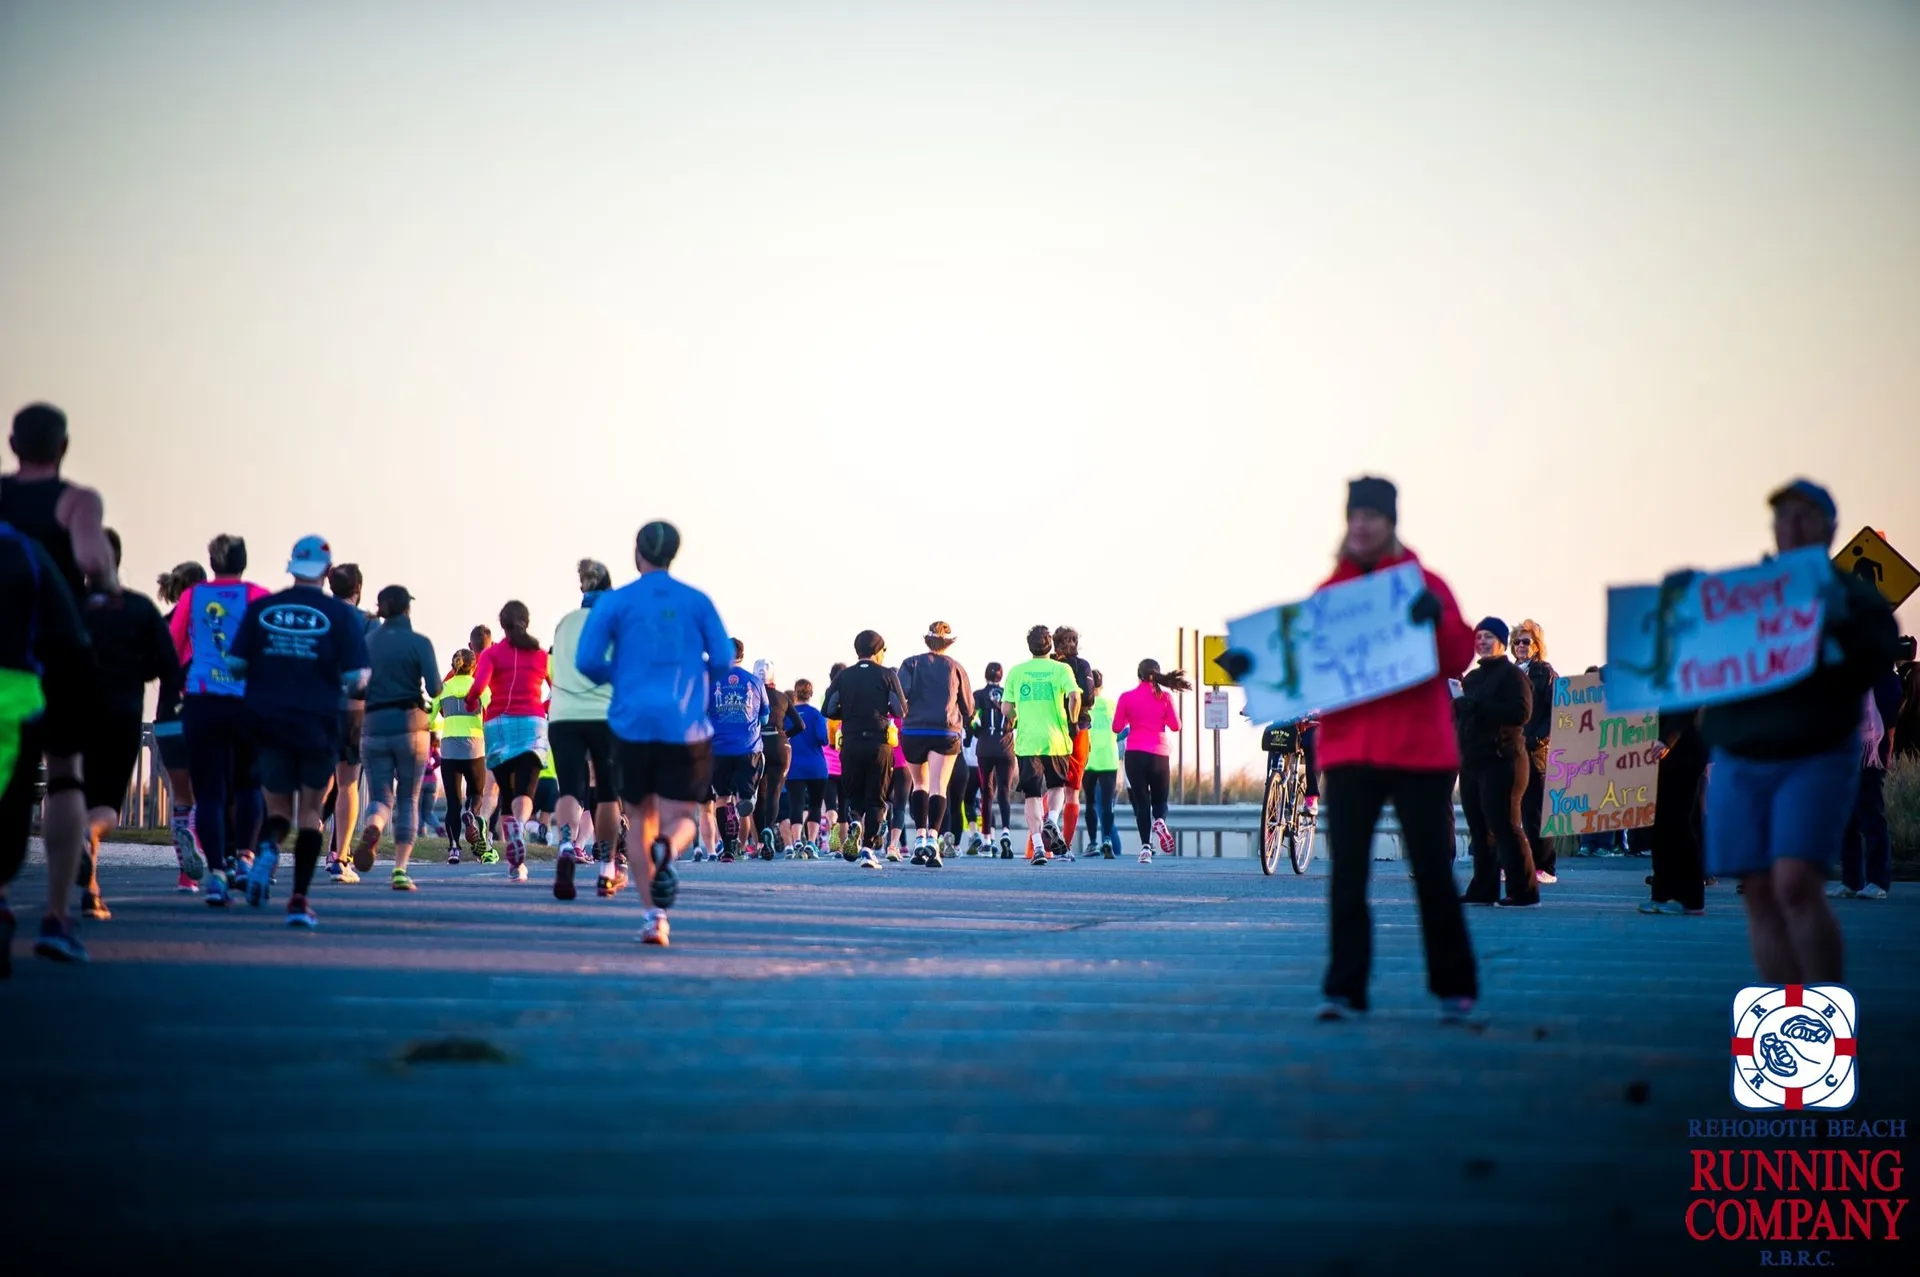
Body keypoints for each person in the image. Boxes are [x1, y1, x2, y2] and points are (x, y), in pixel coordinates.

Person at [1223, 477, 1479, 1023]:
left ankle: (1455, 986)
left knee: (1433, 871)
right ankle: (1345, 988)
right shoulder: (1329, 595)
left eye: (1372, 516)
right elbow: (1296, 667)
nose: (1361, 525)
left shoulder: (1421, 584)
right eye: (1354, 516)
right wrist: (1255, 672)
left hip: (1419, 751)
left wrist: (1439, 622)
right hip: (1350, 751)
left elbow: (1458, 656)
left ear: (1390, 523)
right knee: (1347, 877)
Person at [1697, 479, 1899, 984]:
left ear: (1829, 526)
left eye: (1804, 514)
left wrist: (1834, 626)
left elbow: (1877, 650)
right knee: (1760, 891)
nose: (1791, 525)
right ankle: (1785, 1015)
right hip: (1744, 753)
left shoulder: (1850, 594)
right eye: (1783, 515)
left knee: (1795, 884)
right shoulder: (1745, 592)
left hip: (1814, 751)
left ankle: (1824, 1010)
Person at [574, 520, 732, 946]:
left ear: (637, 553)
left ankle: (654, 917)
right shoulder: (697, 601)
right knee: (682, 818)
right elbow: (721, 659)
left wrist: (622, 677)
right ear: (673, 554)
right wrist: (694, 679)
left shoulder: (616, 602)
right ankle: (669, 849)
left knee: (640, 816)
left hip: (631, 723)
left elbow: (586, 660)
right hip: (685, 724)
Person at [1, 403, 118, 953]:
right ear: (63, 447)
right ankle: (55, 916)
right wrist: (108, 587)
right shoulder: (76, 500)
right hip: (59, 644)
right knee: (67, 774)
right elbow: (93, 560)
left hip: (5, 649)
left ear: (12, 443)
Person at [232, 537, 373, 928]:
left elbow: (235, 666)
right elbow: (358, 678)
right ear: (327, 573)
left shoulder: (262, 608)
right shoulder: (341, 616)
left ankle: (266, 848)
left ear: (291, 567)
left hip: (267, 720)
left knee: (277, 808)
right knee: (311, 811)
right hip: (317, 721)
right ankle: (297, 900)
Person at [0, 515, 93, 967]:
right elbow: (68, 636)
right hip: (14, 693)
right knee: (21, 797)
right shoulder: (24, 552)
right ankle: (55, 916)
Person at [76, 529, 181, 920]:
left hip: (71, 711)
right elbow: (168, 666)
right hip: (121, 712)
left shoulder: (69, 603)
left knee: (68, 790)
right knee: (105, 806)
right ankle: (90, 859)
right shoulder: (139, 608)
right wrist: (140, 671)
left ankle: (82, 879)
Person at [170, 534, 269, 903]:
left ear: (211, 563)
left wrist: (188, 680)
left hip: (203, 700)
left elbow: (173, 646)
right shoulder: (259, 596)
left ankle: (215, 874)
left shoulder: (192, 598)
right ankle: (245, 858)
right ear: (243, 562)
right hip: (248, 703)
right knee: (248, 785)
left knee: (209, 792)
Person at [350, 585, 441, 891]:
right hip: (411, 727)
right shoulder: (419, 642)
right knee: (409, 798)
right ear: (407, 609)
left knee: (380, 798)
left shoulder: (367, 642)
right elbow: (435, 688)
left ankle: (374, 827)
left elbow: (355, 688)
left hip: (374, 726)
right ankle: (400, 870)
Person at [549, 559, 624, 900]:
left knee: (570, 791)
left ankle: (566, 846)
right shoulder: (615, 623)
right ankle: (607, 868)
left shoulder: (564, 624)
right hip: (604, 715)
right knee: (607, 794)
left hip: (564, 716)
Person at [1455, 618, 1540, 908]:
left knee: (1505, 826)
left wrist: (1479, 707)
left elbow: (1521, 713)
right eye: (1478, 637)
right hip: (1473, 761)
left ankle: (1525, 890)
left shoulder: (1512, 675)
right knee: (1479, 829)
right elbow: (1466, 718)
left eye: (1488, 636)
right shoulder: (1473, 678)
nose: (1481, 642)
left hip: (1504, 760)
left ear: (1502, 641)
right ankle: (1483, 888)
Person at [466, 600, 552, 881]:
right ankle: (519, 828)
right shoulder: (541, 656)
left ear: (502, 625)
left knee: (506, 791)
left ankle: (515, 865)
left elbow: (478, 687)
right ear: (526, 622)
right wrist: (546, 710)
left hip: (498, 724)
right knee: (525, 790)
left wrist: (470, 703)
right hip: (532, 723)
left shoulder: (491, 655)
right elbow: (557, 687)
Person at [822, 632, 906, 870]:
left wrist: (846, 713)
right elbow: (901, 711)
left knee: (854, 795)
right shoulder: (888, 674)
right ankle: (868, 849)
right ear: (878, 651)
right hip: (879, 743)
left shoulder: (843, 676)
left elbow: (828, 709)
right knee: (877, 799)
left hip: (850, 743)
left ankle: (856, 822)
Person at [153, 561, 209, 891]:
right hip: (198, 713)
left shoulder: (162, 624)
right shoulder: (207, 625)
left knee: (181, 797)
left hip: (166, 720)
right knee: (207, 793)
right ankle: (195, 853)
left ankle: (185, 876)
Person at [898, 621, 973, 867]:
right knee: (939, 787)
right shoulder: (956, 667)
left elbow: (901, 696)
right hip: (945, 731)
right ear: (949, 642)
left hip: (914, 729)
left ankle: (919, 838)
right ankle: (933, 839)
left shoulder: (910, 664)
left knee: (919, 784)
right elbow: (968, 707)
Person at [1008, 626, 1083, 865]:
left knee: (1031, 794)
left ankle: (1039, 847)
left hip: (1028, 741)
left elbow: (1006, 708)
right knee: (1057, 786)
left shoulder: (1016, 672)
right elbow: (1075, 696)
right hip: (1056, 740)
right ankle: (1052, 817)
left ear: (1029, 646)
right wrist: (1072, 718)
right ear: (1050, 645)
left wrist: (1015, 718)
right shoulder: (1062, 669)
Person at [321, 563, 377, 883]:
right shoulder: (366, 622)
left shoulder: (317, 615)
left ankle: (310, 828)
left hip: (315, 705)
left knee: (318, 777)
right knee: (347, 783)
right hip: (353, 707)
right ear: (358, 589)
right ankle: (340, 857)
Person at [1831, 655, 1903, 900]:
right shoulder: (1847, 676)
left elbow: (1891, 719)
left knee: (1871, 813)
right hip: (1846, 750)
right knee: (1846, 817)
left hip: (1872, 751)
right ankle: (1851, 880)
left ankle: (1877, 880)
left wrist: (1888, 750)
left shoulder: (1883, 678)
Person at [1111, 660, 1188, 863]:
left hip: (1135, 754)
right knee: (1160, 801)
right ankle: (1160, 821)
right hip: (1159, 755)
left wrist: (1131, 717)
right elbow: (1176, 725)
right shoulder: (1165, 697)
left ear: (1138, 675)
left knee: (1142, 802)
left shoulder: (1126, 697)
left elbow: (1117, 727)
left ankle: (1146, 848)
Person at [1639, 708, 1709, 915]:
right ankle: (1664, 893)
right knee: (1661, 824)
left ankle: (1690, 897)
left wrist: (1668, 738)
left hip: (1680, 751)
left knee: (1677, 823)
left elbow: (1689, 703)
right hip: (1663, 749)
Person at [706, 639, 768, 862]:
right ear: (743, 654)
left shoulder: (711, 681)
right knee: (745, 798)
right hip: (748, 747)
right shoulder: (754, 681)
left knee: (722, 798)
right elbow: (764, 716)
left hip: (719, 747)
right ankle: (748, 798)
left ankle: (729, 850)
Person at [1510, 619, 1559, 884]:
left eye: (1526, 641)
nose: (1520, 646)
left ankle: (1546, 867)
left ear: (1537, 645)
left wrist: (1536, 739)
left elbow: (1554, 712)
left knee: (1536, 812)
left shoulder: (1546, 673)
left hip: (1535, 751)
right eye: (1516, 641)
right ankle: (1517, 863)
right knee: (1509, 811)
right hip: (1509, 751)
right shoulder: (1507, 672)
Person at [435, 648, 493, 865]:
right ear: (474, 666)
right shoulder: (480, 687)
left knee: (451, 802)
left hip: (449, 748)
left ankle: (453, 849)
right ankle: (470, 812)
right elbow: (491, 709)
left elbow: (431, 717)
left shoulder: (443, 688)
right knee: (477, 793)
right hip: (474, 747)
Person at [1051, 626, 1097, 850]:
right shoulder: (1083, 666)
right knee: (1073, 791)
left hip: (1051, 728)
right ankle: (1066, 845)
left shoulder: (1049, 665)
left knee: (1052, 786)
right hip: (1079, 728)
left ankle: (1039, 844)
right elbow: (1088, 696)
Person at [972, 662, 1016, 858]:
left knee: (986, 793)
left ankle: (987, 839)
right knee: (1004, 791)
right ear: (1001, 676)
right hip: (1006, 748)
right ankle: (1006, 831)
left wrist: (977, 732)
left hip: (985, 748)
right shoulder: (1009, 694)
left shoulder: (978, 695)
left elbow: (972, 721)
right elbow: (1017, 719)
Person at [784, 678, 831, 857]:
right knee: (815, 805)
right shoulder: (817, 715)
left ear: (795, 693)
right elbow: (823, 739)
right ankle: (811, 842)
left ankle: (796, 840)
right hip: (816, 766)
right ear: (811, 695)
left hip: (794, 766)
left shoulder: (788, 715)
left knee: (795, 805)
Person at [755, 660, 794, 859]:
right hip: (780, 744)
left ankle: (761, 842)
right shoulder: (783, 697)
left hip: (758, 744)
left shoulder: (751, 695)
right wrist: (785, 734)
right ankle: (770, 827)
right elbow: (800, 725)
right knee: (774, 793)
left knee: (758, 795)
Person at [1081, 671, 1120, 858]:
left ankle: (1093, 843)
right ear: (1101, 686)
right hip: (1109, 759)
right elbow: (1122, 729)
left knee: (1090, 802)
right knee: (1107, 804)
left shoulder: (1084, 706)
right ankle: (1107, 839)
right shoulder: (1112, 704)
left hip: (1088, 759)